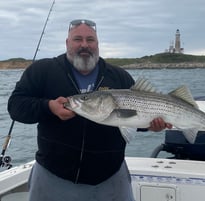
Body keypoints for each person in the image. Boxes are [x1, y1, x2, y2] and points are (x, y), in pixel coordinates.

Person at [8, 19, 172, 201]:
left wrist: (151, 125)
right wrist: (48, 107)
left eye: (90, 40)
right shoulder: (43, 70)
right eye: (77, 39)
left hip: (111, 178)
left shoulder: (119, 77)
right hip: (53, 176)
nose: (84, 45)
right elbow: (15, 106)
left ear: (98, 44)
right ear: (67, 43)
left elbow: (132, 119)